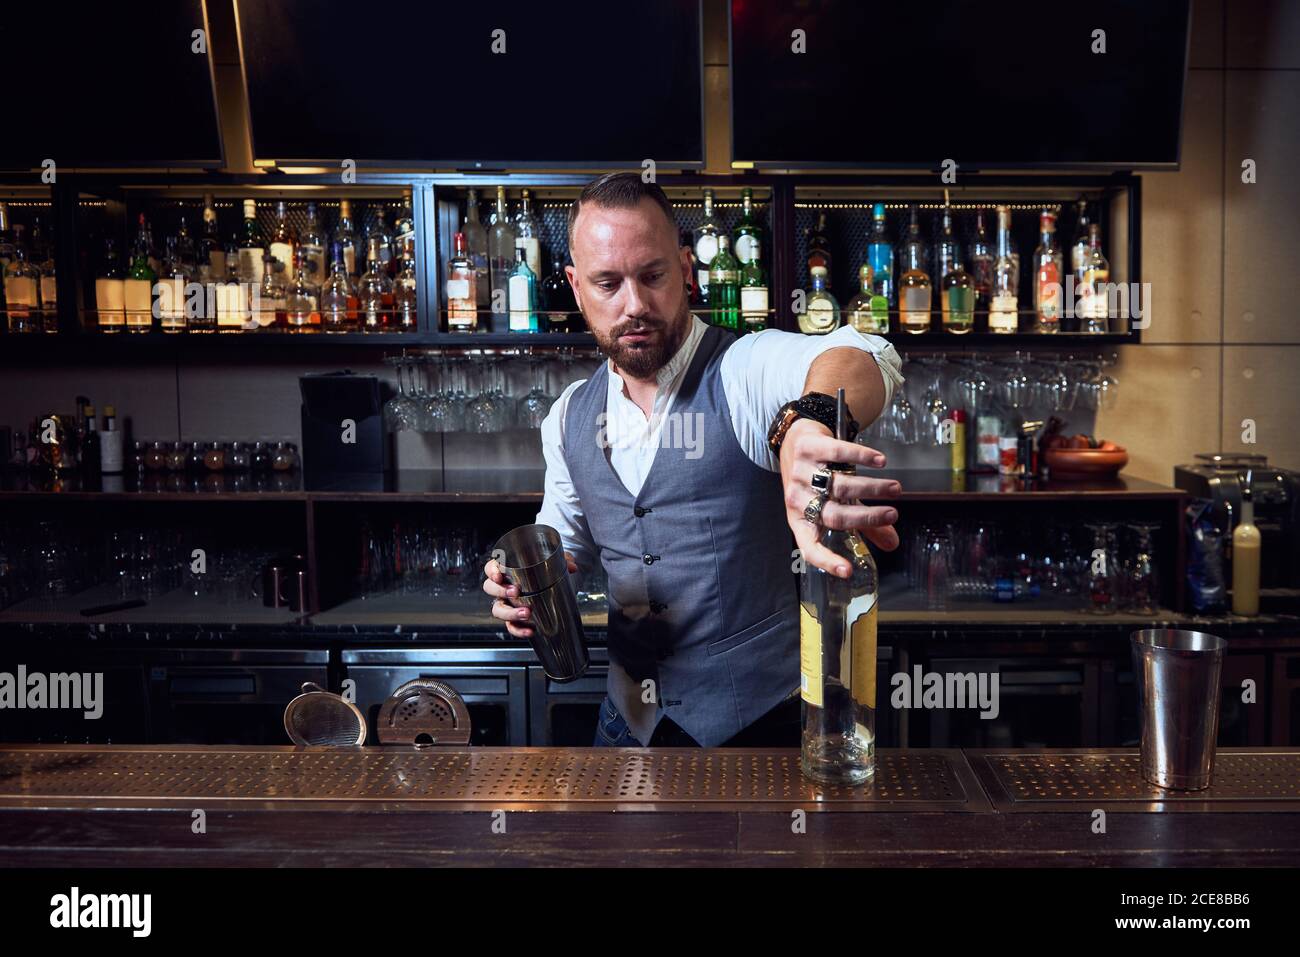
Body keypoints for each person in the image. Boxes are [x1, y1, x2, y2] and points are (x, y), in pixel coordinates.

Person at [484, 173, 903, 747]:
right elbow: (565, 541)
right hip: (625, 726)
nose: (634, 304)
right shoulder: (567, 416)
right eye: (608, 283)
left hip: (759, 728)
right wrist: (519, 583)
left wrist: (809, 416)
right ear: (576, 289)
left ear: (686, 269)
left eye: (653, 276)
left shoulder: (741, 369)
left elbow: (865, 354)